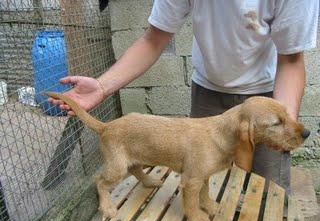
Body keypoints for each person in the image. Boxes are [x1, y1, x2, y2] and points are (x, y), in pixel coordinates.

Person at [49, 0, 319, 194]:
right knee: (204, 182)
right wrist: (101, 85)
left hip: (267, 99)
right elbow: (154, 39)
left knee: (268, 191)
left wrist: (285, 124)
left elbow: (292, 59)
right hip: (208, 92)